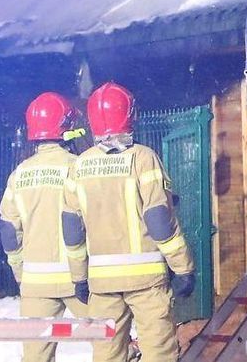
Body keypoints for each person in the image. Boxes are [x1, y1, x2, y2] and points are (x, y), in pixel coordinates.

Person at [63, 82, 194, 362]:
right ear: (129, 114)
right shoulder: (144, 158)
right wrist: (183, 267)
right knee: (158, 353)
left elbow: (72, 231)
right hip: (146, 280)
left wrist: (79, 278)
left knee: (107, 354)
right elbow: (159, 221)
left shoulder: (78, 166)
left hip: (101, 283)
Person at [0, 92, 90, 362]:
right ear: (67, 128)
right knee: (111, 344)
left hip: (35, 282)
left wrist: (20, 272)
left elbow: (8, 230)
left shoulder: (19, 174)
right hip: (80, 280)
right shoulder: (78, 167)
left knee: (36, 356)